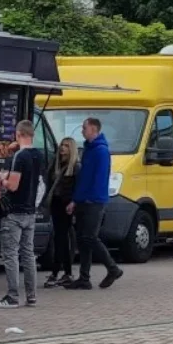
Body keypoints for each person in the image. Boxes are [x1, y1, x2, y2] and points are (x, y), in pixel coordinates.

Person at [66, 118, 124, 291]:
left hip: (94, 201)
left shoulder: (100, 151)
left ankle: (112, 268)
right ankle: (84, 277)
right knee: (83, 240)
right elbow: (84, 178)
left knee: (90, 237)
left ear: (93, 129)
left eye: (84, 128)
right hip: (85, 200)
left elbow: (98, 178)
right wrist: (76, 200)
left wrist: (89, 198)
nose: (82, 131)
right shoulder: (90, 150)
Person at [0, 120, 43, 309]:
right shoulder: (38, 155)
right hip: (30, 211)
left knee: (10, 254)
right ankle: (31, 296)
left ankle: (13, 295)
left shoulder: (20, 157)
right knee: (28, 254)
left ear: (18, 134)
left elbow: (13, 185)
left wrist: (2, 180)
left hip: (14, 211)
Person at [44, 137, 80, 288]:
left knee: (62, 238)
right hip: (56, 204)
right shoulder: (55, 165)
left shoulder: (75, 167)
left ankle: (61, 271)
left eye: (66, 146)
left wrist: (74, 202)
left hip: (67, 205)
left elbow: (78, 187)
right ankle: (62, 271)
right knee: (59, 237)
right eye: (61, 145)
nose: (62, 148)